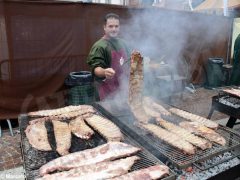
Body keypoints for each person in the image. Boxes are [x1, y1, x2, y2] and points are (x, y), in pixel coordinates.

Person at [87, 13, 130, 100]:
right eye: (110, 26)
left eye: (116, 26)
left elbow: (129, 62)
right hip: (107, 91)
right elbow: (96, 68)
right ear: (104, 27)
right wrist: (104, 71)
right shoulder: (100, 46)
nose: (114, 29)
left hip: (123, 89)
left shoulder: (123, 43)